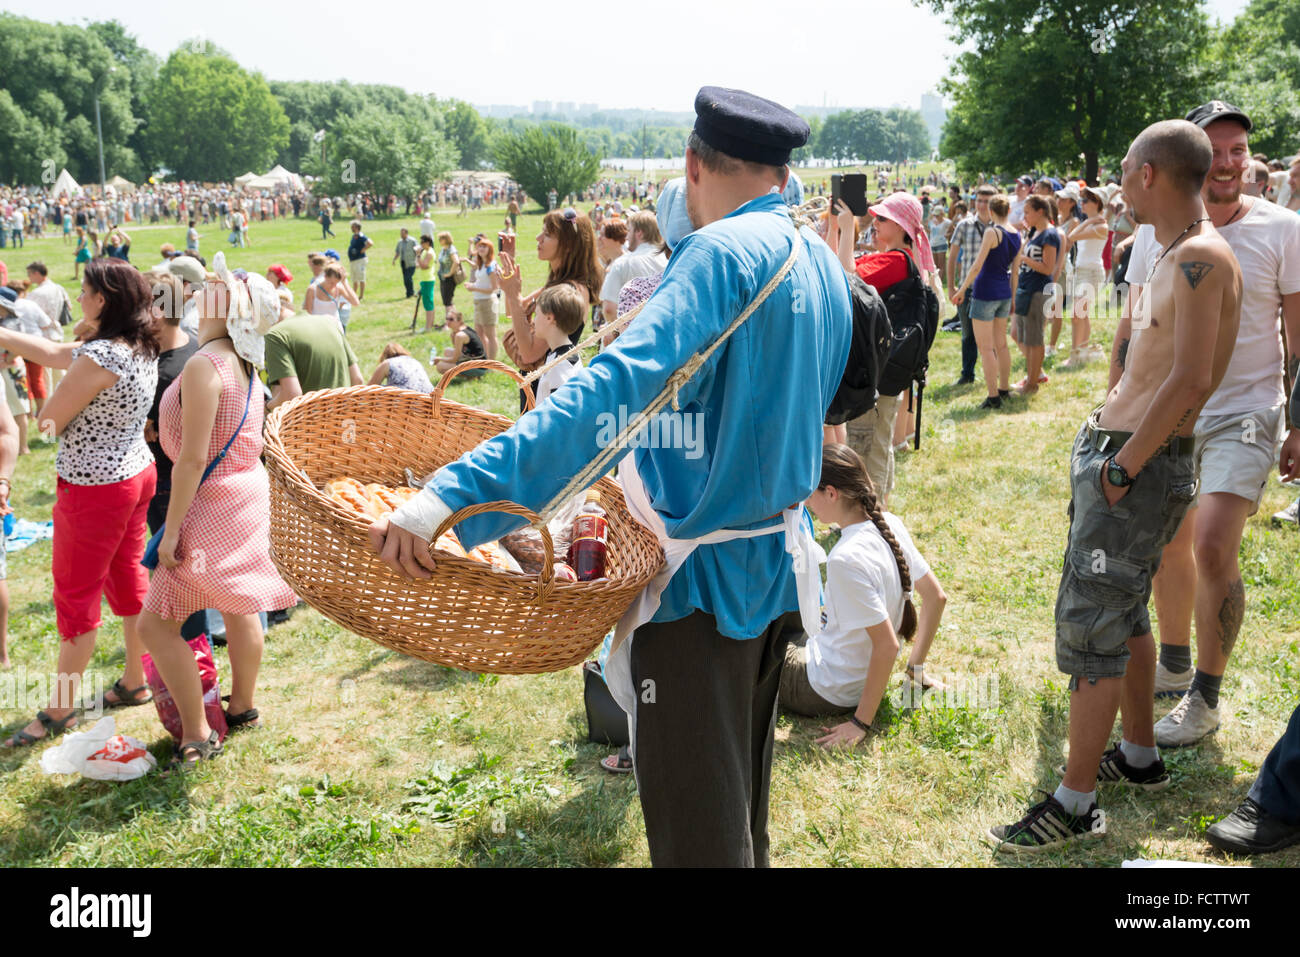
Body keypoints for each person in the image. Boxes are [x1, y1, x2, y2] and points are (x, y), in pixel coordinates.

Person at [373, 86, 850, 867]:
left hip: (700, 594)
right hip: (771, 575)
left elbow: (607, 394)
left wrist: (451, 498)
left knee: (701, 839)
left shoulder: (720, 253)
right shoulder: (817, 261)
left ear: (692, 165)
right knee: (741, 825)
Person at [989, 120, 1242, 852]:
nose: (1120, 181)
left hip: (1138, 462)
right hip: (1124, 453)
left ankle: (1074, 803)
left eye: (1128, 169)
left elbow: (1192, 377)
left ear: (1150, 174)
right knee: (1121, 608)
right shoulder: (1170, 251)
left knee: (1095, 620)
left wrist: (1125, 462)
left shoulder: (1200, 257)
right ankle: (1137, 753)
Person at [1139, 102, 1300, 745]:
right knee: (1165, 545)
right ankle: (1174, 664)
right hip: (1172, 414)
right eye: (1217, 151)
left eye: (1239, 150)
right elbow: (1135, 327)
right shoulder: (1159, 231)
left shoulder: (1284, 229)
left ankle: (1204, 698)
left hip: (1246, 411)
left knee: (1211, 547)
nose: (1230, 163)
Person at [138, 260, 295, 766]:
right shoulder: (241, 358)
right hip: (246, 495)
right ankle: (244, 704)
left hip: (210, 503)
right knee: (238, 602)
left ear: (228, 306)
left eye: (214, 287)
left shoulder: (205, 362)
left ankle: (197, 732)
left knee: (156, 626)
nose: (204, 290)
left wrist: (171, 532)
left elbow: (193, 459)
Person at [0, 259, 161, 748]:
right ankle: (136, 681)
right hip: (135, 473)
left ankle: (59, 710)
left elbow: (48, 423)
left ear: (104, 300)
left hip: (94, 489)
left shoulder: (101, 356)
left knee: (76, 599)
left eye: (86, 290)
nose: (79, 294)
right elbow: (51, 350)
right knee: (129, 581)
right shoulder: (136, 343)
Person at [780, 444, 948, 743]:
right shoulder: (890, 523)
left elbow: (887, 646)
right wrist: (915, 670)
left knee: (756, 647)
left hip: (827, 689)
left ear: (831, 493)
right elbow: (936, 598)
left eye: (810, 492)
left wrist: (861, 723)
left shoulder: (845, 559)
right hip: (852, 678)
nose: (806, 501)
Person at [830, 191, 938, 502]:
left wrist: (848, 228)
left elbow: (845, 277)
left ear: (903, 226)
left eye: (883, 218)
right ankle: (882, 512)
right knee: (880, 441)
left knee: (866, 445)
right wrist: (837, 229)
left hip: (877, 368)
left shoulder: (895, 261)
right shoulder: (898, 258)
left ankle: (871, 520)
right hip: (888, 368)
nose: (875, 222)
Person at [951, 194, 1020, 410]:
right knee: (1001, 344)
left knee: (986, 348)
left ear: (991, 212)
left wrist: (961, 289)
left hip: (984, 292)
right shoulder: (1017, 234)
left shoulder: (992, 232)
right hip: (1004, 293)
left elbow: (977, 265)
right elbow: (1015, 272)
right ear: (1008, 211)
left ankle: (992, 396)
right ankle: (1004, 388)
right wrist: (1014, 297)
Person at [264, 279, 364, 414]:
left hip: (310, 425)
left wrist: (267, 407)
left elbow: (291, 394)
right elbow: (357, 379)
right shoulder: (330, 323)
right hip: (346, 418)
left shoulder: (275, 335)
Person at [1009, 195, 1060, 395]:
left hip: (1039, 291)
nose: (1025, 215)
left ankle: (1032, 384)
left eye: (1028, 211)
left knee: (1035, 339)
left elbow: (1048, 268)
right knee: (1024, 337)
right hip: (1026, 289)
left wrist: (1024, 259)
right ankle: (1032, 376)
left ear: (1040, 211)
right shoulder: (1034, 233)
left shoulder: (1049, 235)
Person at [947, 186, 996, 385]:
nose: (982, 205)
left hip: (991, 289)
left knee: (990, 335)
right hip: (967, 288)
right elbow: (952, 258)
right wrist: (951, 287)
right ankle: (967, 373)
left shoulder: (999, 226)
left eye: (987, 201)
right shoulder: (964, 225)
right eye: (979, 200)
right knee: (967, 334)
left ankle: (993, 375)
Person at [1056, 187, 1109, 369]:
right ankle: (1081, 352)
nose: (1082, 204)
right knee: (1081, 315)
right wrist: (1090, 220)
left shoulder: (1102, 226)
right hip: (1082, 271)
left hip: (1091, 273)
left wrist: (1091, 221)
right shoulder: (1093, 222)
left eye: (1086, 201)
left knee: (1077, 316)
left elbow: (1072, 235)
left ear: (1097, 203)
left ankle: (1075, 356)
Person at [598, 211, 667, 330]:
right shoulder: (669, 261)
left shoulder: (623, 263)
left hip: (627, 337)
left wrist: (616, 330)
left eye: (629, 231)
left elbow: (609, 309)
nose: (626, 237)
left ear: (639, 233)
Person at [530, 283, 586, 404]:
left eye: (536, 314)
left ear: (549, 318)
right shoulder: (560, 355)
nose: (533, 321)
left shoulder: (560, 368)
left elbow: (560, 415)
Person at [465, 237, 500, 361]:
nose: (481, 249)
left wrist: (474, 288)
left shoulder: (491, 266)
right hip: (478, 302)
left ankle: (491, 362)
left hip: (488, 302)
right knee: (479, 333)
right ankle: (485, 359)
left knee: (490, 335)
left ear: (490, 249)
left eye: (484, 247)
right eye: (479, 246)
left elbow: (494, 288)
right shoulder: (481, 264)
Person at [301, 264, 360, 331]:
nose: (334, 286)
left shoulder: (338, 288)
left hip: (334, 327)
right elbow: (308, 312)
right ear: (325, 276)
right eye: (331, 283)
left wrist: (344, 283)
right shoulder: (312, 289)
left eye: (336, 283)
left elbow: (356, 303)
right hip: (317, 328)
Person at [432, 308, 486, 375]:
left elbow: (454, 359)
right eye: (447, 318)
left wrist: (440, 359)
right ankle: (467, 374)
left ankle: (470, 377)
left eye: (451, 319)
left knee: (440, 366)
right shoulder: (455, 333)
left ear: (459, 321)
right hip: (470, 360)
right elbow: (458, 354)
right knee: (447, 351)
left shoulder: (460, 335)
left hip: (479, 368)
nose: (448, 321)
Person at [369, 342, 434, 393]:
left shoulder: (387, 363)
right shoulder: (414, 361)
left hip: (406, 400)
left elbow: (369, 388)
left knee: (377, 389)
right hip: (428, 398)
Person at [435, 232, 460, 322]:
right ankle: (455, 319)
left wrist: (450, 273)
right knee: (448, 301)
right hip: (443, 278)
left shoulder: (451, 249)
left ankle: (448, 322)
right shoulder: (444, 249)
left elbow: (456, 262)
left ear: (446, 239)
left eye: (441, 239)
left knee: (447, 301)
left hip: (449, 279)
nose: (439, 241)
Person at [347, 220, 373, 301]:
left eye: (353, 226)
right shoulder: (354, 236)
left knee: (361, 277)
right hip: (353, 260)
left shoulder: (361, 236)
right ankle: (354, 294)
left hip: (360, 259)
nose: (351, 228)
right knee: (354, 278)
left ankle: (361, 296)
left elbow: (370, 243)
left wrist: (364, 249)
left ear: (357, 227)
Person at [394, 228, 418, 299]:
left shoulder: (412, 241)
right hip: (403, 262)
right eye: (401, 233)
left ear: (406, 233)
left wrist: (417, 260)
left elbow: (418, 251)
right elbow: (398, 252)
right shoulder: (400, 242)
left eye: (403, 233)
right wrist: (394, 259)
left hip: (411, 262)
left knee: (408, 278)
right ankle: (408, 293)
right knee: (405, 279)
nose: (401, 235)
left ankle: (411, 292)